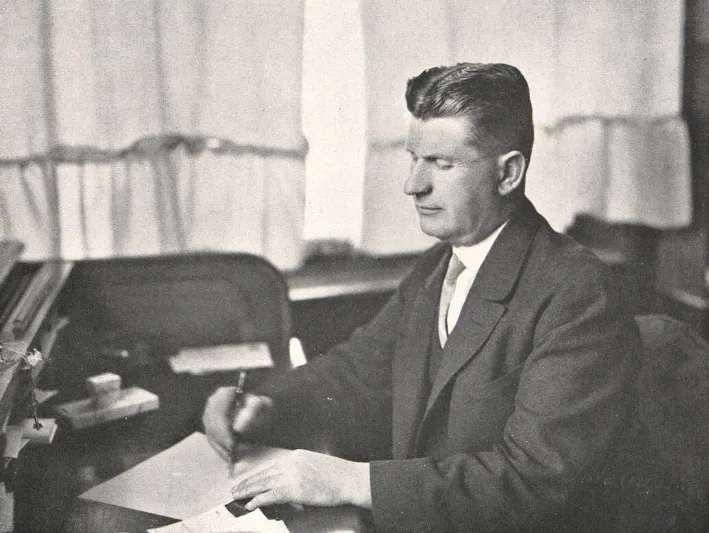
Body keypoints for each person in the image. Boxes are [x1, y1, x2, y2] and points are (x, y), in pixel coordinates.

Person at [202, 62, 641, 533]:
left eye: (442, 164)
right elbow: (357, 372)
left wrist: (352, 481)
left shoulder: (576, 292)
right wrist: (266, 403)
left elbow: (532, 480)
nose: (413, 184)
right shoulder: (438, 267)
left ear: (509, 173)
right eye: (414, 158)